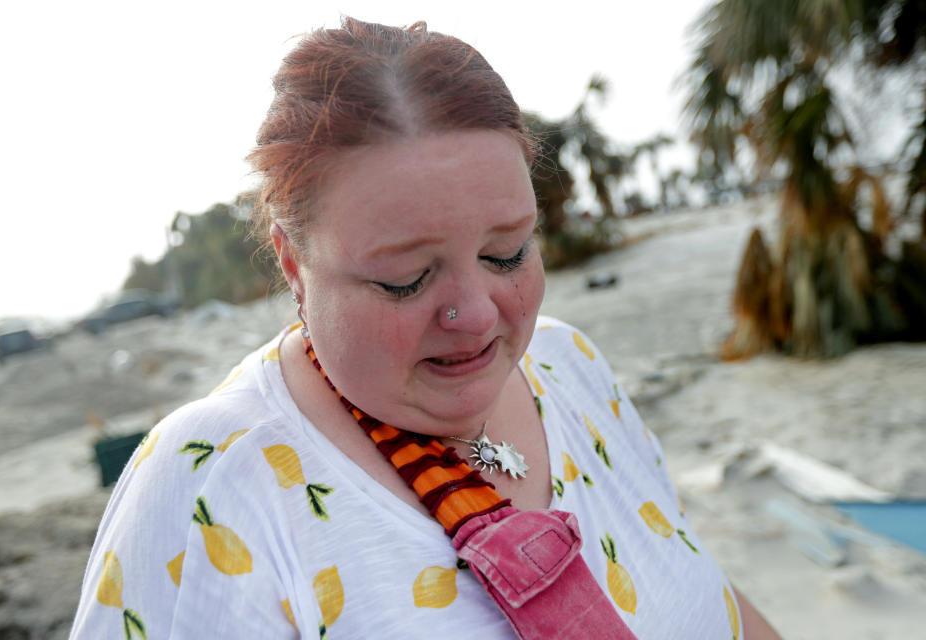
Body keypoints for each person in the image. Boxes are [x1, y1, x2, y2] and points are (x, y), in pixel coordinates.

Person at [71, 17, 781, 639]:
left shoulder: (569, 365)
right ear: (293, 263)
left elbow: (703, 593)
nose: (475, 314)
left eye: (507, 253)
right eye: (405, 278)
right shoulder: (213, 483)